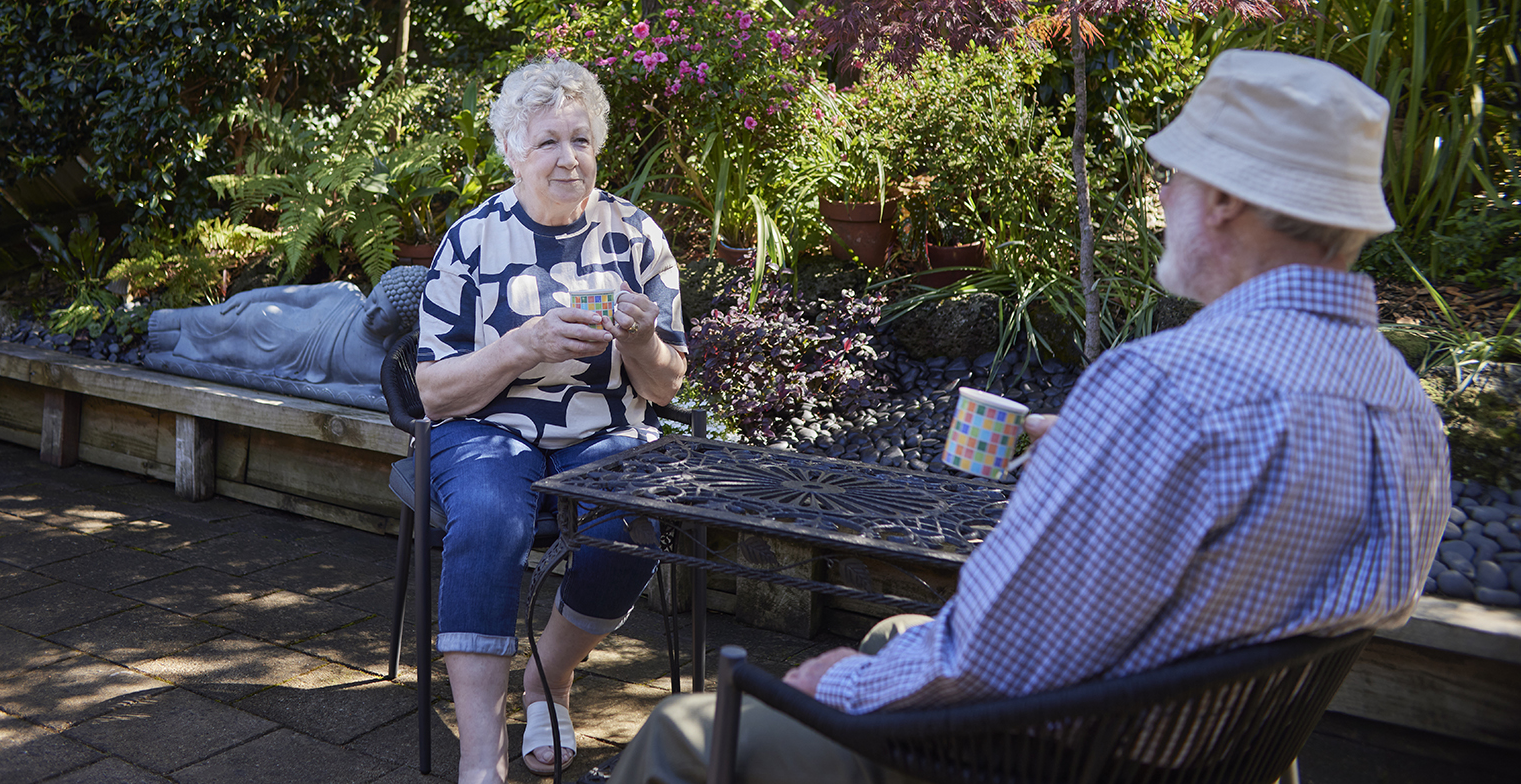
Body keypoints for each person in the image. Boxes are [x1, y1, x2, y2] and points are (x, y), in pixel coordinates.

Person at [610, 49, 1449, 784]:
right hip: (1224, 753)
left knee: (685, 733)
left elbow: (996, 653)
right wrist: (1097, 451)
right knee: (898, 631)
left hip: (1058, 757)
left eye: (1175, 174)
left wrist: (836, 685)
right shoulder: (1403, 408)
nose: (1164, 193)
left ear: (1225, 198)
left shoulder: (1168, 387)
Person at [414, 60, 688, 784]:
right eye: (547, 142)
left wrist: (641, 340)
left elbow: (665, 387)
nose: (569, 159)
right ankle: (482, 755)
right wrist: (521, 346)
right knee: (488, 518)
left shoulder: (635, 236)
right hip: (485, 430)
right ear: (512, 151)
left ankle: (548, 677)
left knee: (635, 523)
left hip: (605, 430)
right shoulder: (472, 240)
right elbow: (433, 393)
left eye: (581, 140)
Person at [143, 265, 428, 410]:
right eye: (374, 299)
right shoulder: (345, 294)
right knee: (229, 316)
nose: (370, 312)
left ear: (398, 328)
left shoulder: (379, 364)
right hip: (267, 318)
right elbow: (293, 295)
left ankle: (170, 344)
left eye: (382, 315)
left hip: (277, 359)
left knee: (222, 351)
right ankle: (165, 324)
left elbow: (400, 394)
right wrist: (252, 295)